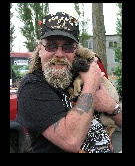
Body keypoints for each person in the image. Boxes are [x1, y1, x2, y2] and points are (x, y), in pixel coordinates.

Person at [16, 12, 122, 153]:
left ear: (76, 51)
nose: (59, 54)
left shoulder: (80, 74)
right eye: (51, 46)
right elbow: (71, 141)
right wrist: (90, 83)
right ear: (40, 49)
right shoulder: (32, 87)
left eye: (67, 47)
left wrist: (111, 106)